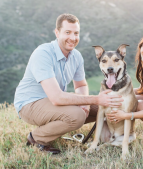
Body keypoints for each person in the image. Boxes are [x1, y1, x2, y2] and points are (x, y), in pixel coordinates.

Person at [13, 13, 123, 154]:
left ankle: (109, 138)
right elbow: (57, 98)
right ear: (57, 33)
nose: (73, 38)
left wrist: (86, 103)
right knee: (76, 116)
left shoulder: (76, 56)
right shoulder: (43, 53)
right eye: (67, 32)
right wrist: (95, 99)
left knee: (106, 107)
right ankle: (36, 138)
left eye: (76, 33)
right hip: (29, 104)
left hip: (52, 102)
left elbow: (81, 85)